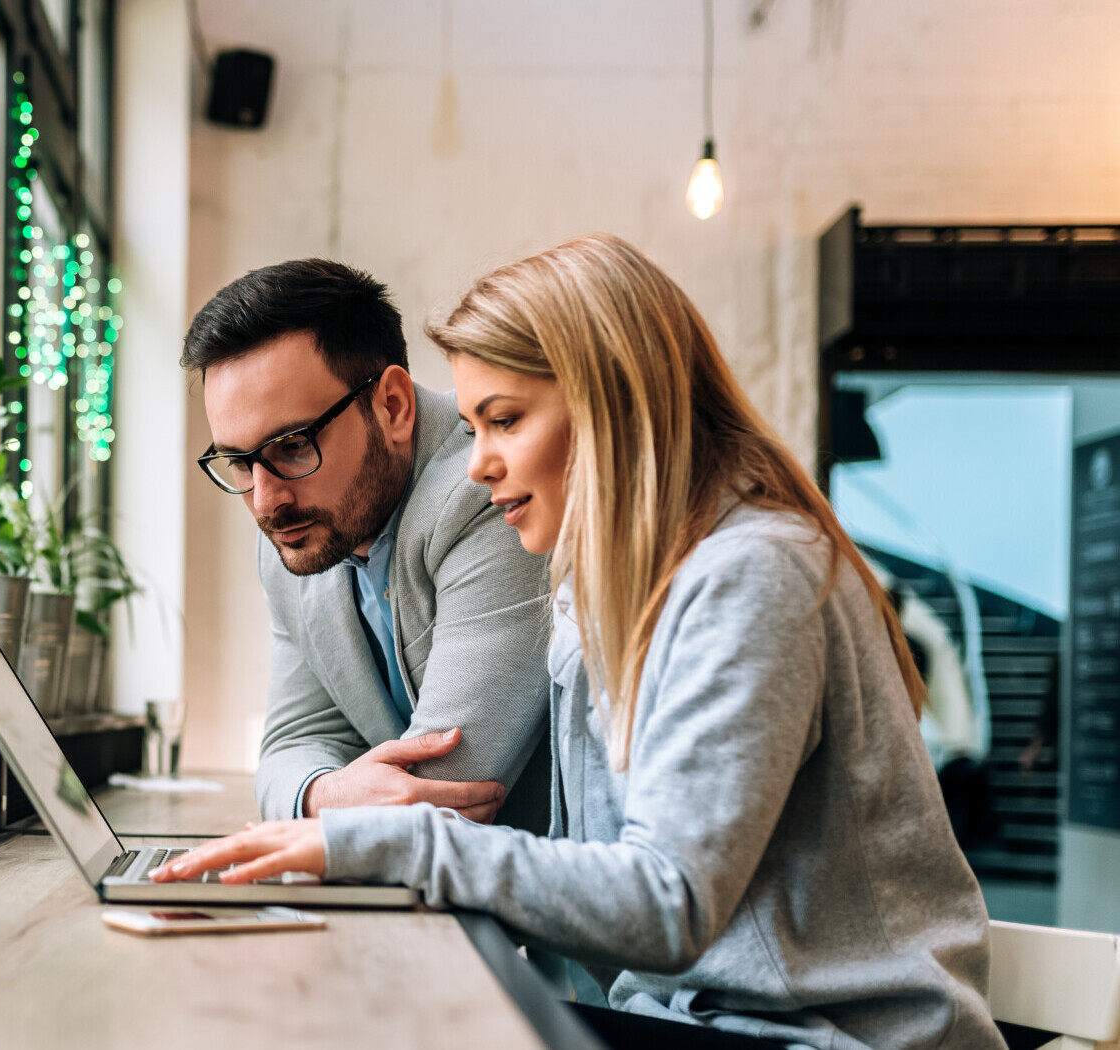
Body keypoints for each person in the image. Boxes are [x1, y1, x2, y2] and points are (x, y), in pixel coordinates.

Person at [157, 235, 1004, 1050]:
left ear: (614, 408)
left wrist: (375, 834)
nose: (477, 463)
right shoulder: (599, 589)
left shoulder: (751, 574)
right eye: (478, 426)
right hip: (689, 1017)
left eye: (504, 421)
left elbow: (667, 900)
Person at [183, 259, 553, 830]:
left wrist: (327, 802)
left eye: (293, 446)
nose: (264, 502)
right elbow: (292, 744)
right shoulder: (299, 535)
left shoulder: (496, 492)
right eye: (238, 462)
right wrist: (323, 795)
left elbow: (447, 788)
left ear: (393, 407)